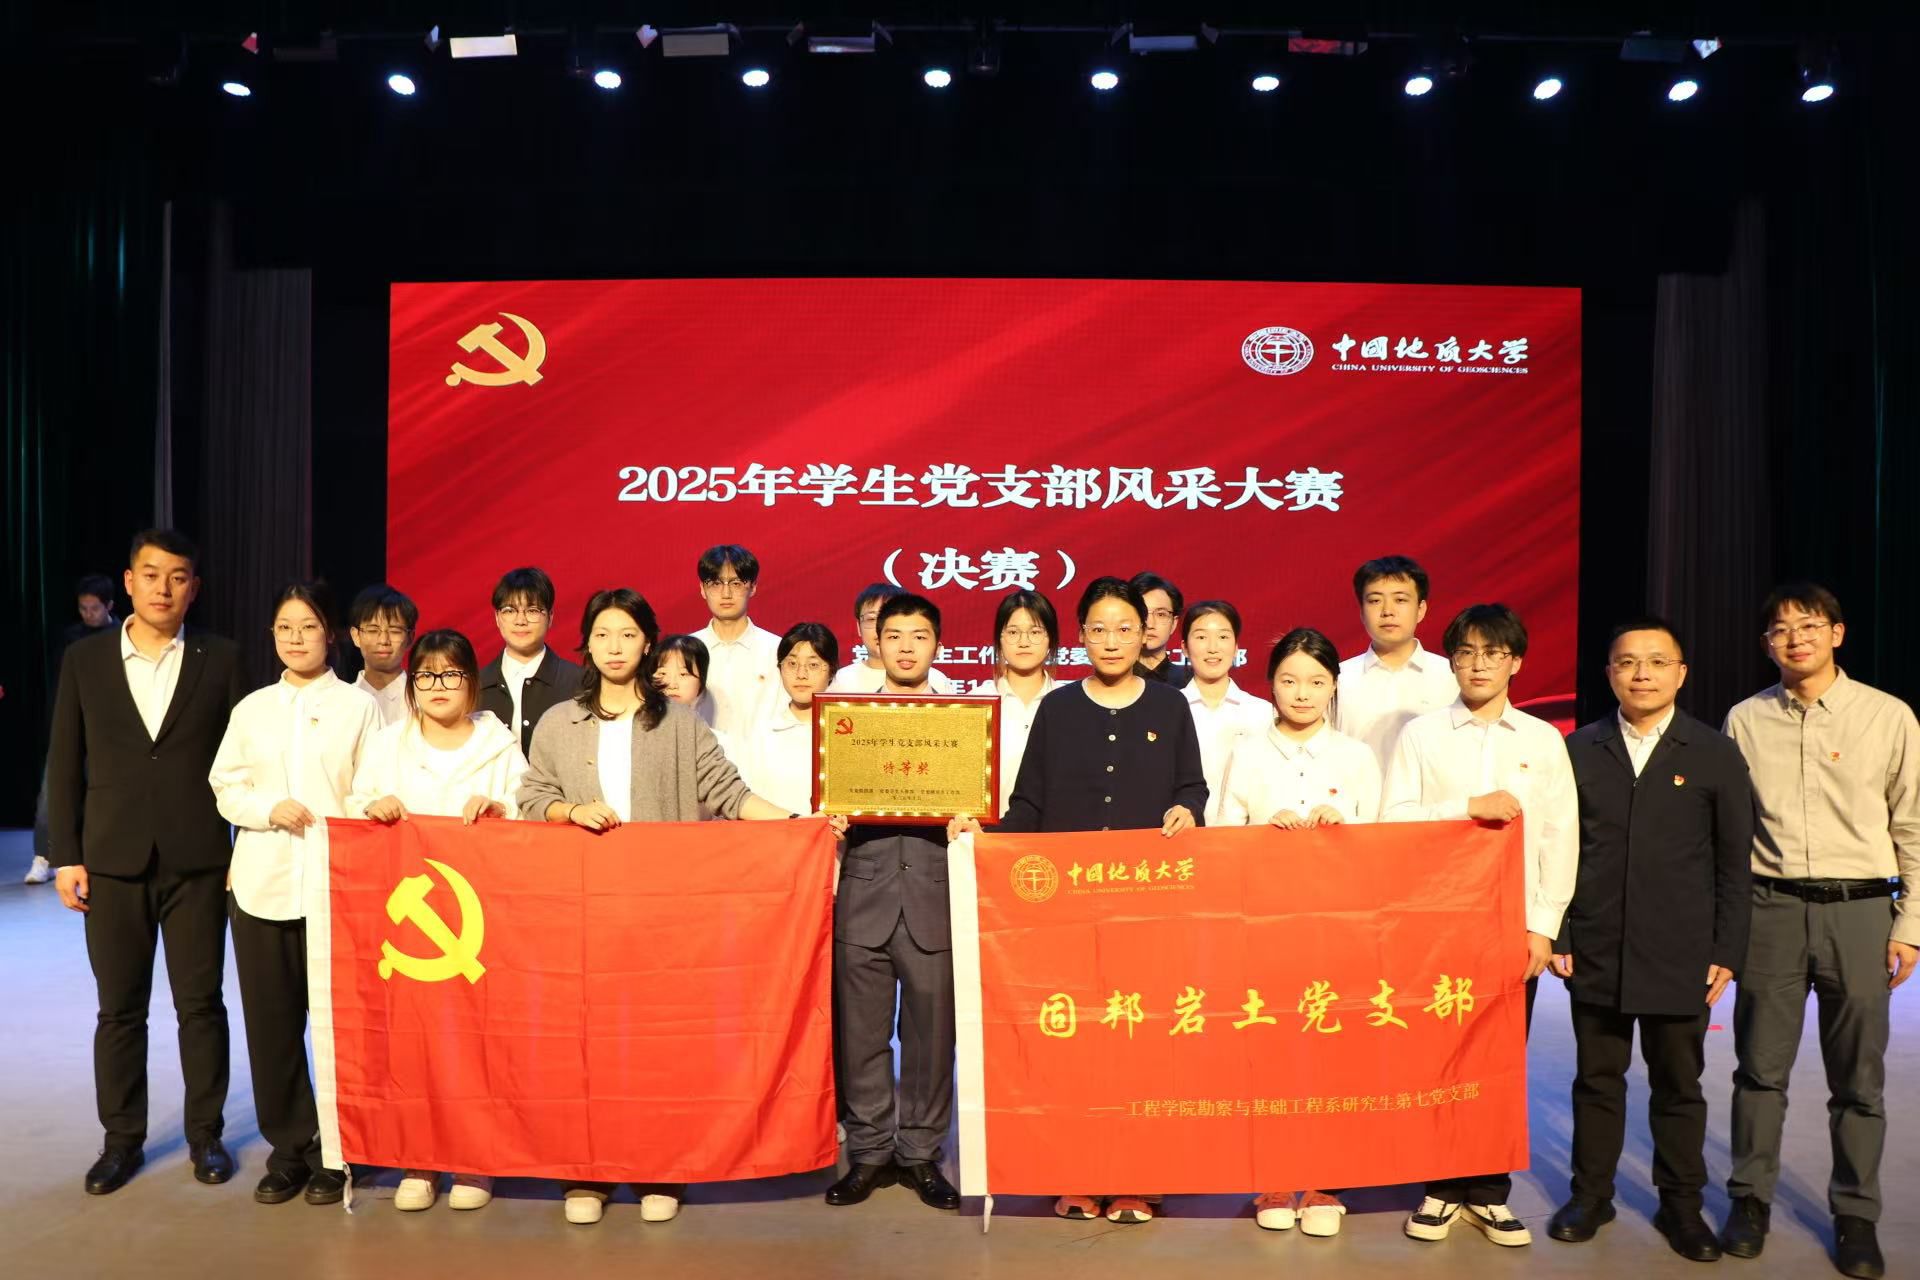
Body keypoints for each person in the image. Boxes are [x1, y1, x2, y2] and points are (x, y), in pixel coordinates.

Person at [516, 587, 818, 1226]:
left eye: (628, 634)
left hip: (662, 916)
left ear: (648, 643)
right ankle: (588, 1170)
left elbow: (729, 793)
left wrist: (800, 825)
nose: (615, 646)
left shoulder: (679, 724)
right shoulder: (559, 722)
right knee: (586, 1046)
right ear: (586, 643)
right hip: (583, 915)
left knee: (657, 1046)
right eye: (603, 634)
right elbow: (532, 796)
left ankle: (660, 1166)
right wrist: (569, 809)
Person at [961, 576, 1207, 1225]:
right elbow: (1028, 806)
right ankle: (1074, 1171)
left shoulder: (1170, 707)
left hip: (1145, 908)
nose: (1112, 640)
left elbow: (1193, 789)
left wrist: (1187, 810)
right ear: (1080, 637)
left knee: (1137, 1040)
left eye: (1125, 628)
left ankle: (1136, 1179)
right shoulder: (1058, 709)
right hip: (1064, 911)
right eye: (1098, 629)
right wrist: (981, 836)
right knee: (1072, 1044)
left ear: (1146, 634)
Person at [1719, 583, 1918, 1280]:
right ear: (1766, 644)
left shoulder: (1888, 716)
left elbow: (1912, 825)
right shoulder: (1745, 719)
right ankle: (1749, 1201)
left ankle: (1855, 1214)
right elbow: (1730, 830)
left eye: (1808, 625)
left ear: (1837, 633)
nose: (1794, 638)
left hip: (1859, 911)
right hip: (1770, 908)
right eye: (1779, 629)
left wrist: (1910, 925)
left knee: (1858, 1078)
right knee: (1758, 1069)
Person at [1545, 617, 1755, 1262]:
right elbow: (1557, 848)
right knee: (1596, 1080)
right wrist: (1560, 930)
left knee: (1678, 1084)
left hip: (1681, 952)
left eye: (1657, 662)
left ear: (1680, 673)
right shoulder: (1579, 749)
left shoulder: (1713, 752)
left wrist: (1726, 950)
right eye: (1627, 662)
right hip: (1597, 946)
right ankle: (1591, 1195)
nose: (1642, 674)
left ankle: (1681, 1205)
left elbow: (1734, 863)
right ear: (1609, 672)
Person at [47, 530, 248, 1195]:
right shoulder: (86, 660)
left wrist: (241, 846)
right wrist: (67, 856)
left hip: (198, 861)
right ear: (129, 581)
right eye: (152, 574)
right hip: (111, 860)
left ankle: (206, 1136)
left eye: (178, 576)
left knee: (202, 1006)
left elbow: (245, 762)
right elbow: (64, 760)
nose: (164, 588)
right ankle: (121, 1142)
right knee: (119, 1010)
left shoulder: (222, 658)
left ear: (194, 587)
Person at [1383, 602, 1577, 1248]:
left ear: (1515, 662)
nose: (1478, 665)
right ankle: (1441, 1187)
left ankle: (1490, 1192)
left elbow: (1560, 836)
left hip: (1512, 925)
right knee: (1440, 1056)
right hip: (1438, 923)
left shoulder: (1542, 740)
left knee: (1500, 1061)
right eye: (1465, 653)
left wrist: (1543, 926)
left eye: (1493, 653)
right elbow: (1394, 817)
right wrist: (1468, 806)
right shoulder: (1422, 735)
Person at [209, 581, 379, 1207]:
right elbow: (225, 783)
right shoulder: (252, 708)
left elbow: (370, 787)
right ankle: (289, 1149)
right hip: (262, 882)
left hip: (336, 888)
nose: (296, 638)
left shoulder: (359, 707)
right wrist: (265, 809)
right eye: (285, 628)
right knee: (272, 1026)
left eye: (307, 626)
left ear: (329, 633)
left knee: (339, 1027)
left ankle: (339, 1152)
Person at [347, 628, 526, 1213]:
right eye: (426, 675)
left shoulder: (499, 745)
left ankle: (475, 1159)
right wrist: (370, 806)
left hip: (480, 918)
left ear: (472, 682)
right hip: (408, 927)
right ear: (413, 685)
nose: (438, 685)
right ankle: (419, 1158)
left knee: (477, 1039)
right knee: (414, 1041)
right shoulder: (388, 745)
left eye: (451, 674)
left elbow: (526, 808)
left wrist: (501, 809)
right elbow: (354, 802)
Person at [1219, 627, 1382, 1236]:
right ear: (1271, 685)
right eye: (1289, 680)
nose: (1303, 692)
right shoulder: (1248, 752)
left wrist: (1347, 828)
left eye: (1316, 681)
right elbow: (1220, 835)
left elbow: (1386, 841)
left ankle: (1324, 1181)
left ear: (1334, 685)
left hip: (1338, 931)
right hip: (1264, 929)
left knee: (1331, 1055)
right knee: (1268, 1054)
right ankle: (1272, 1181)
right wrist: (1263, 830)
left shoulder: (1356, 757)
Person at [826, 593, 967, 1215]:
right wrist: (830, 816)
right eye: (895, 636)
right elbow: (826, 799)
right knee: (861, 1036)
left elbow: (985, 804)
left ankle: (920, 1153)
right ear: (874, 643)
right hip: (865, 895)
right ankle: (869, 1151)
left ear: (938, 644)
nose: (907, 647)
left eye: (920, 636)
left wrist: (973, 819)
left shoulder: (963, 721)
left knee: (932, 1039)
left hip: (935, 897)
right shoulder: (848, 719)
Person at [1336, 555, 1460, 784]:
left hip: (1433, 804)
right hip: (1357, 804)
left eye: (1400, 600)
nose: (1387, 611)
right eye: (1375, 601)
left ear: (1421, 609)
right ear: (1361, 612)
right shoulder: (1338, 680)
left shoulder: (1452, 676)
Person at [30, 574, 120, 884]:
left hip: (108, 730)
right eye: (83, 608)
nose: (88, 614)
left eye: (94, 608)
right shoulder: (70, 638)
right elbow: (59, 686)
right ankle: (44, 857)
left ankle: (97, 856)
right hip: (71, 723)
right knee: (51, 792)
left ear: (109, 605)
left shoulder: (122, 636)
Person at [731, 623, 838, 815]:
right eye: (792, 664)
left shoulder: (845, 733)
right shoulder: (759, 731)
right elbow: (743, 799)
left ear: (832, 670)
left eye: (813, 665)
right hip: (772, 832)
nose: (801, 674)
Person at [1180, 601, 1271, 824]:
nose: (1213, 648)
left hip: (1245, 834)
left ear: (1236, 646)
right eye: (1201, 637)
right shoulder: (1170, 709)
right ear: (1184, 648)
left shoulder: (1261, 711)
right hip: (1181, 832)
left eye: (1223, 637)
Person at [477, 566, 582, 757]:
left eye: (532, 610)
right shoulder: (476, 685)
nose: (520, 620)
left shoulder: (579, 682)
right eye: (509, 610)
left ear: (550, 617)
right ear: (497, 618)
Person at [689, 544, 781, 738]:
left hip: (759, 756)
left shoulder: (777, 651)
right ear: (702, 589)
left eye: (736, 583)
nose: (726, 594)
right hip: (699, 756)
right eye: (715, 583)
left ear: (753, 587)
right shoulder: (685, 651)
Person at [991, 590, 1058, 817]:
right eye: (1013, 632)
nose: (1023, 642)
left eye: (1035, 632)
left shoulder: (1068, 703)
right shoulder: (978, 703)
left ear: (1050, 639)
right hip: (987, 831)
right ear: (999, 639)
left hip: (1052, 831)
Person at [827, 581, 959, 694]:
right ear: (858, 626)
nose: (878, 627)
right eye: (871, 619)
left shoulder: (937, 680)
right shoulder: (843, 680)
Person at [346, 583, 418, 727]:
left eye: (395, 631)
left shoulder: (422, 700)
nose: (384, 640)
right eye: (373, 630)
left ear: (410, 638)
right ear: (356, 636)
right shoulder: (340, 700)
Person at [1129, 570, 1193, 689]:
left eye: (1161, 614)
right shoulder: (1113, 679)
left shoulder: (1192, 684)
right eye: (1142, 613)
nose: (1150, 624)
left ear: (1174, 623)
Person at [651, 633, 718, 728]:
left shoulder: (711, 737)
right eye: (662, 673)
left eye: (683, 674)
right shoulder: (635, 731)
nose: (672, 685)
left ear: (701, 681)